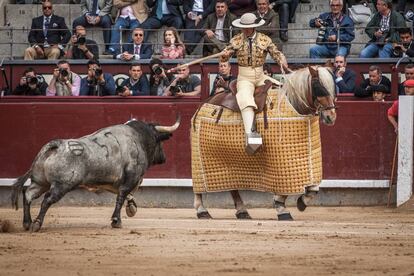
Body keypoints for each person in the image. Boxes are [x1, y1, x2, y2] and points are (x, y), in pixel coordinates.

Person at [220, 13, 288, 154]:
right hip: (245, 77)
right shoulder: (236, 40)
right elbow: (226, 54)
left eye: (249, 27)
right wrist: (224, 55)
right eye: (244, 27)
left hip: (261, 75)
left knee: (282, 88)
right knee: (245, 98)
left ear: (254, 27)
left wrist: (281, 58)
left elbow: (275, 52)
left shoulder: (264, 39)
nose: (246, 30)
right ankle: (250, 135)